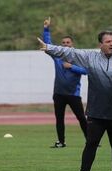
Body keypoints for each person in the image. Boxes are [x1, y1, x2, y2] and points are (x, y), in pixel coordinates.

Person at [37, 29, 112, 171]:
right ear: (100, 44)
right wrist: (48, 47)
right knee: (91, 143)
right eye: (108, 42)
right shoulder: (90, 58)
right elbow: (69, 53)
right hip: (96, 112)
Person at [42, 17, 88, 148]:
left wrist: (71, 67)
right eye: (63, 43)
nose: (65, 44)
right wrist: (46, 29)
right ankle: (61, 142)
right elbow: (48, 44)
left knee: (81, 118)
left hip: (73, 94)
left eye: (68, 42)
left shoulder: (78, 56)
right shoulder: (57, 57)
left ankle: (91, 141)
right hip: (59, 94)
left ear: (72, 44)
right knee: (59, 119)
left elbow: (86, 71)